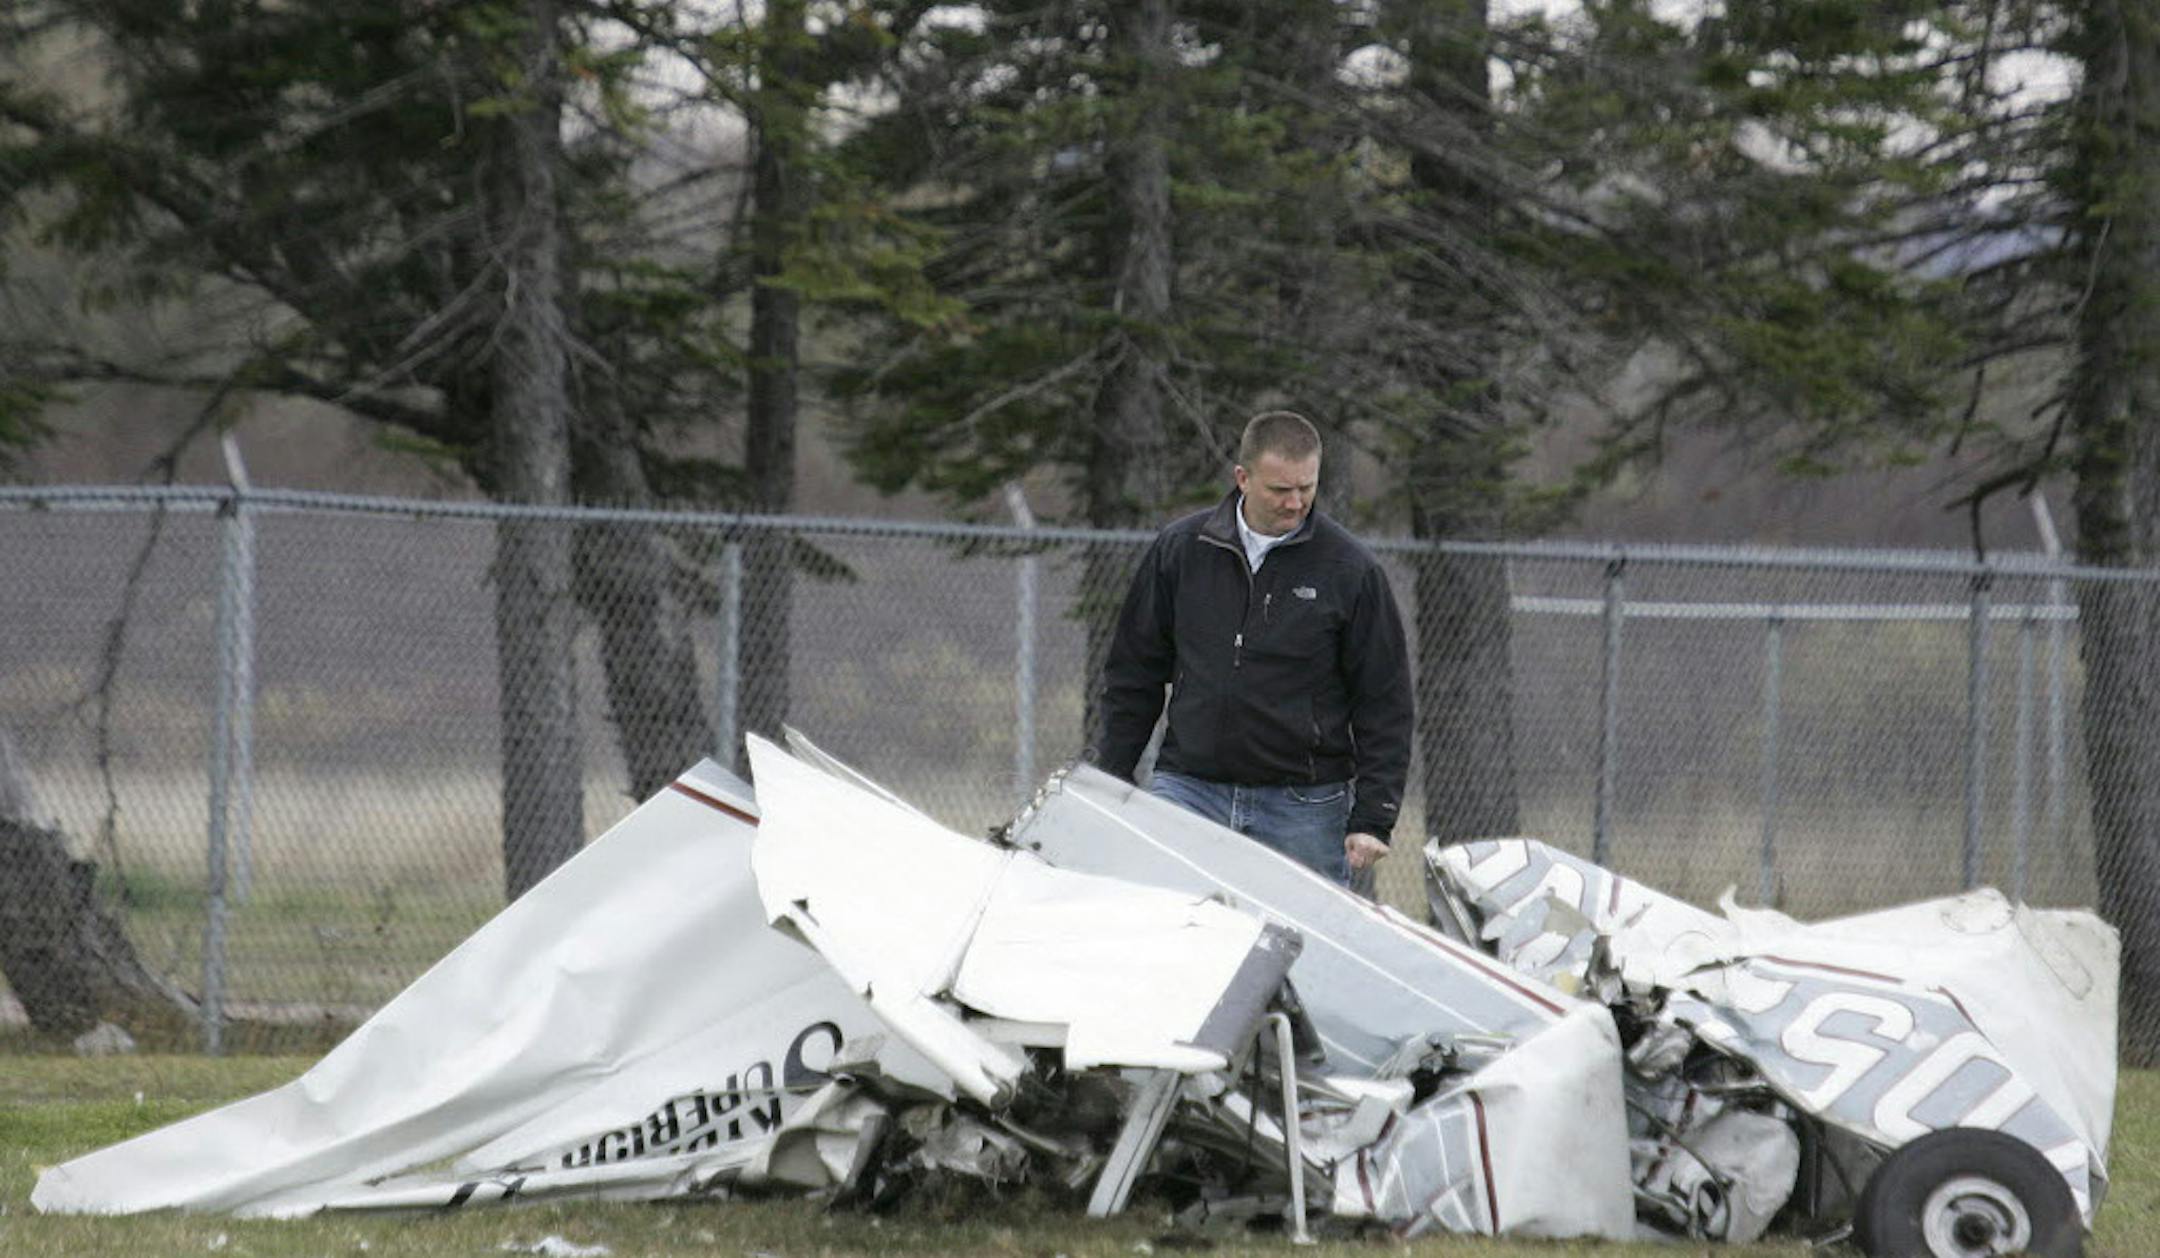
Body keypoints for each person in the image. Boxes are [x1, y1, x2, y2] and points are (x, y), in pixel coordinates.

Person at [1092, 410, 1413, 886]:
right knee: (1167, 932)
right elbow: (1134, 674)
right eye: (1280, 490)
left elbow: (1384, 700)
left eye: (1307, 487)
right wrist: (1112, 778)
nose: (1296, 502)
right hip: (1189, 788)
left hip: (1305, 807)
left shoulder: (1350, 571)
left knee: (1306, 951)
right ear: (1242, 478)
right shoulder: (1181, 551)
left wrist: (1373, 815)